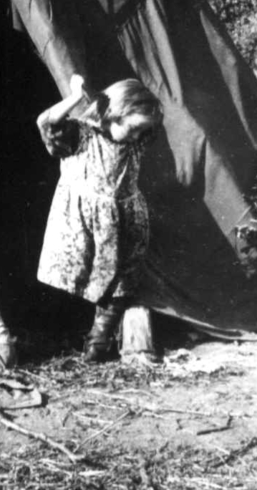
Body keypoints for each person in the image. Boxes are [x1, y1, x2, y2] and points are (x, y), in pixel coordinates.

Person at [36, 74, 163, 362]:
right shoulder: (81, 135)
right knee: (76, 276)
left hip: (126, 220)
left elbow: (146, 126)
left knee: (121, 282)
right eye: (132, 129)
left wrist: (141, 122)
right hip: (82, 223)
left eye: (142, 131)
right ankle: (59, 335)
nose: (137, 137)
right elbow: (47, 123)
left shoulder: (136, 140)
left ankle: (99, 340)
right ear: (112, 114)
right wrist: (74, 97)